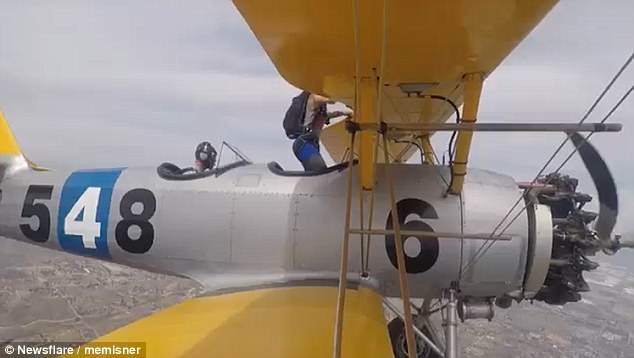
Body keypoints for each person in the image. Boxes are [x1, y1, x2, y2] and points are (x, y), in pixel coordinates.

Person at [289, 92, 350, 171]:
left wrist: (347, 113)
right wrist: (349, 99)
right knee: (320, 170)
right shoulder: (313, 98)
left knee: (314, 171)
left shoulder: (320, 111)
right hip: (304, 143)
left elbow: (329, 115)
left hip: (313, 143)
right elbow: (329, 100)